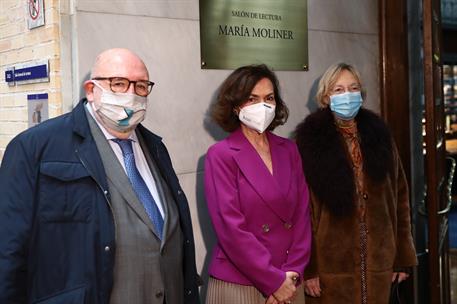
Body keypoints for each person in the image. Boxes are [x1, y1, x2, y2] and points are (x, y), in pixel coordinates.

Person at [0, 48, 201, 304]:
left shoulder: (156, 148)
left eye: (140, 86)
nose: (130, 94)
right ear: (91, 90)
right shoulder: (35, 148)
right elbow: (8, 252)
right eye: (118, 83)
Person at [294, 62, 417, 304]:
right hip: (331, 264)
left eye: (353, 88)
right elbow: (301, 210)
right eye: (338, 90)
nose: (347, 95)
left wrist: (402, 256)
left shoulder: (380, 136)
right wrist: (310, 269)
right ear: (326, 97)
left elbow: (399, 197)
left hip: (380, 259)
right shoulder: (310, 143)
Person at [204, 64, 312, 304]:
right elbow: (231, 228)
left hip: (290, 280)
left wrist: (292, 273)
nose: (262, 106)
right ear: (235, 105)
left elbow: (302, 216)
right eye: (252, 99)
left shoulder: (289, 149)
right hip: (240, 282)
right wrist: (273, 281)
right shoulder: (221, 154)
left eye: (269, 98)